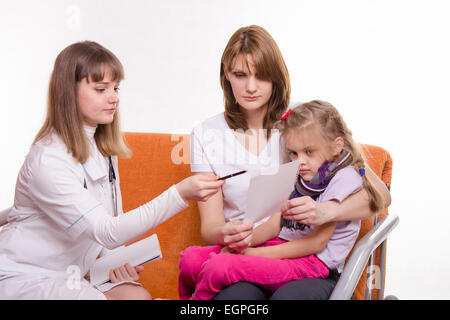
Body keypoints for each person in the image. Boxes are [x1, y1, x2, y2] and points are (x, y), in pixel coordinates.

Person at [0, 41, 224, 300]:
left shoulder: (102, 149)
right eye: (100, 89)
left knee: (136, 296)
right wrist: (180, 193)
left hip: (71, 272)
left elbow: (101, 230)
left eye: (115, 88)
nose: (114, 97)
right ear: (67, 92)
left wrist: (115, 262)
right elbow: (106, 230)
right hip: (27, 276)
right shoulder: (49, 158)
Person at [186, 25, 391, 300]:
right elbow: (209, 228)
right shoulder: (206, 134)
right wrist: (227, 234)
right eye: (240, 74)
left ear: (276, 77)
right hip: (249, 252)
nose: (250, 87)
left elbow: (377, 195)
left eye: (262, 76)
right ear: (225, 74)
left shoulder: (299, 121)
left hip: (305, 258)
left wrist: (327, 211)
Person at [179, 100, 385, 300]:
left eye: (309, 152)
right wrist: (242, 242)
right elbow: (275, 223)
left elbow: (316, 243)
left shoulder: (344, 177)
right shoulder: (302, 174)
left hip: (311, 262)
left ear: (336, 146)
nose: (299, 161)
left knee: (220, 267)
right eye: (293, 153)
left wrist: (248, 255)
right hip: (281, 246)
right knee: (190, 259)